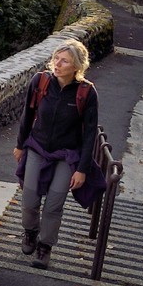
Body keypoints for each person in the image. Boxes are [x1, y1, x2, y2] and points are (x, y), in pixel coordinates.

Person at [13, 39, 99, 270]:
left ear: (76, 67)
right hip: (37, 147)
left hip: (67, 155)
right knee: (30, 197)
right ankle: (30, 232)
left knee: (53, 203)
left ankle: (44, 248)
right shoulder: (40, 82)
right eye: (56, 59)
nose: (57, 64)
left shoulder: (86, 93)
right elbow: (27, 116)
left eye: (64, 61)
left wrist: (81, 169)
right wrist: (20, 145)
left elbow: (90, 133)